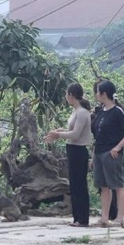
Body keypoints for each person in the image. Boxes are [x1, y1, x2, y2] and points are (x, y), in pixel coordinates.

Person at [92, 80, 124, 228]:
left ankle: (120, 218)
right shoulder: (100, 111)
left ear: (104, 94)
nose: (96, 95)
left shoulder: (117, 111)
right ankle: (104, 217)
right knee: (103, 186)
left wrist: (118, 147)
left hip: (111, 153)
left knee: (117, 185)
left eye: (98, 92)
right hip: (99, 152)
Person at [45, 83, 92, 227]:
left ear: (71, 95)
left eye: (66, 95)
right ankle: (77, 217)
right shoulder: (75, 111)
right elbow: (71, 131)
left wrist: (58, 134)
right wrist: (60, 131)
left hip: (79, 150)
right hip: (72, 149)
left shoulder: (82, 112)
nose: (66, 98)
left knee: (80, 185)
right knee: (74, 185)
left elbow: (76, 134)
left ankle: (83, 218)